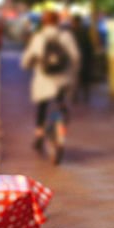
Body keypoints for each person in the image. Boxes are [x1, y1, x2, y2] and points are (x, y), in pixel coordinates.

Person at [21, 10, 79, 163]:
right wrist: (72, 73)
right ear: (58, 21)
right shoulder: (66, 36)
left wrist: (28, 64)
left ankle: (39, 134)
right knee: (62, 104)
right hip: (63, 81)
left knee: (42, 105)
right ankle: (62, 129)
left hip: (44, 81)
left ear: (44, 22)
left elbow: (27, 59)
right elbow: (75, 57)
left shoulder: (39, 37)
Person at [70, 14, 95, 104]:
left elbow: (88, 46)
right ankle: (82, 95)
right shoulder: (83, 32)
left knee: (76, 77)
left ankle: (75, 95)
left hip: (76, 58)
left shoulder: (71, 32)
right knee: (83, 77)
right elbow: (89, 47)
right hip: (83, 57)